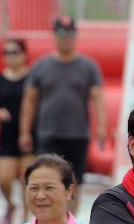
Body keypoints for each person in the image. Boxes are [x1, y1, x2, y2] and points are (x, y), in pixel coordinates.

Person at [18, 16, 106, 212]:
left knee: (74, 180)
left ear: (76, 36)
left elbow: (98, 99)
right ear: (54, 36)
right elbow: (29, 101)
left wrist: (101, 127)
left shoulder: (89, 67)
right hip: (49, 132)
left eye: (70, 34)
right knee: (48, 177)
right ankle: (48, 217)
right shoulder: (40, 66)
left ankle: (70, 222)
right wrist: (24, 131)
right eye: (61, 34)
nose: (66, 38)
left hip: (77, 133)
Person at [0, 38, 35, 224]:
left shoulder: (32, 79)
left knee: (27, 181)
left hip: (29, 137)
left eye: (14, 52)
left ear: (24, 55)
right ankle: (10, 204)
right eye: (6, 53)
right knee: (4, 180)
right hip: (6, 137)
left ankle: (26, 220)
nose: (10, 57)